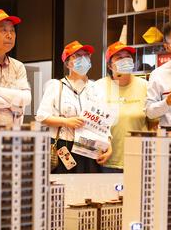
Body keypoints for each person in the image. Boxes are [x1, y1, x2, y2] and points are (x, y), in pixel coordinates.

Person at [36, 41, 113, 174]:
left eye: (86, 55)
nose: (83, 59)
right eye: (77, 55)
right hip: (64, 146)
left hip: (90, 147)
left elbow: (103, 122)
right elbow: (41, 116)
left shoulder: (96, 88)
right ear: (67, 62)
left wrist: (109, 145)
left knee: (89, 191)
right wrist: (66, 122)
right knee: (64, 190)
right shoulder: (56, 86)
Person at [95, 41, 150, 173]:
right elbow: (91, 123)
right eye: (119, 58)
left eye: (128, 57)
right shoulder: (97, 87)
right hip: (107, 161)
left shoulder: (145, 86)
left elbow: (154, 123)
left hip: (140, 159)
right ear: (109, 65)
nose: (125, 60)